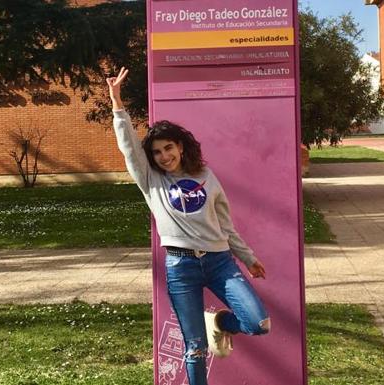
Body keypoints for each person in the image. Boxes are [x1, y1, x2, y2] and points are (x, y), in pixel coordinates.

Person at [107, 68, 270, 385]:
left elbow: (225, 224)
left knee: (258, 322)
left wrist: (248, 258)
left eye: (169, 148)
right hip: (181, 266)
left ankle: (221, 322)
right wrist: (117, 104)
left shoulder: (206, 177)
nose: (164, 156)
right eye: (157, 152)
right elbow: (128, 146)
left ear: (181, 147)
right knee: (194, 348)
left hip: (220, 262)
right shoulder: (151, 180)